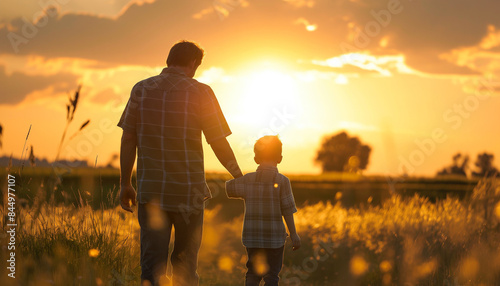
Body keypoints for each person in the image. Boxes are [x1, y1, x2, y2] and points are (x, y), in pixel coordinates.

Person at [118, 40, 243, 286]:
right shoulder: (201, 92)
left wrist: (125, 183)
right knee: (185, 267)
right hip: (189, 194)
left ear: (169, 60)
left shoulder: (140, 89)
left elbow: (128, 137)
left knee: (152, 268)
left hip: (151, 193)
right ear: (194, 63)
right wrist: (239, 176)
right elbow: (217, 141)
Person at [225, 135, 300, 286]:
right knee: (271, 276)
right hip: (275, 239)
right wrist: (293, 234)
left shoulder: (248, 180)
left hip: (252, 237)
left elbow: (229, 188)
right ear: (280, 158)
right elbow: (287, 210)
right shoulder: (283, 181)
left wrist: (241, 177)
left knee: (252, 273)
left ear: (255, 159)